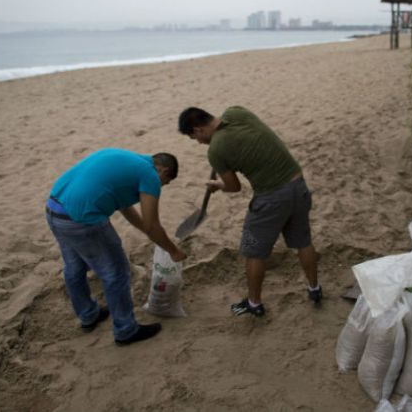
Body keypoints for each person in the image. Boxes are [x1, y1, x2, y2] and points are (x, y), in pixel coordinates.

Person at [178, 106, 321, 317]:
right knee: (303, 242)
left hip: (271, 199)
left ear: (198, 129)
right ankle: (314, 289)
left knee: (254, 252)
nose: (198, 142)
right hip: (298, 186)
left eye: (194, 138)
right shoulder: (237, 113)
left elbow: (234, 187)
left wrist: (217, 185)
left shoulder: (216, 150)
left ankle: (254, 303)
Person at [45, 148, 187, 346]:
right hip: (82, 219)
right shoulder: (150, 175)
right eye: (166, 181)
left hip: (54, 210)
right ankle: (126, 330)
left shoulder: (127, 160)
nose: (163, 186)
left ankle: (88, 315)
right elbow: (152, 224)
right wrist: (173, 251)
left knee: (74, 267)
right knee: (117, 272)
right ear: (162, 170)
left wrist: (147, 232)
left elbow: (125, 207)